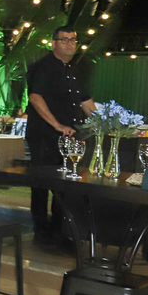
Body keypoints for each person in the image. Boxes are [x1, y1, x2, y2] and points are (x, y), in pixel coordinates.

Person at [25, 27, 96, 248]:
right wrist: (56, 124)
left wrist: (106, 125)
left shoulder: (73, 70)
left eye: (73, 40)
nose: (70, 44)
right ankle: (41, 232)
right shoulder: (43, 67)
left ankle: (59, 231)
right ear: (53, 43)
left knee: (64, 184)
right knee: (42, 183)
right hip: (44, 135)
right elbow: (35, 97)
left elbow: (86, 102)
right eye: (64, 40)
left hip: (68, 137)